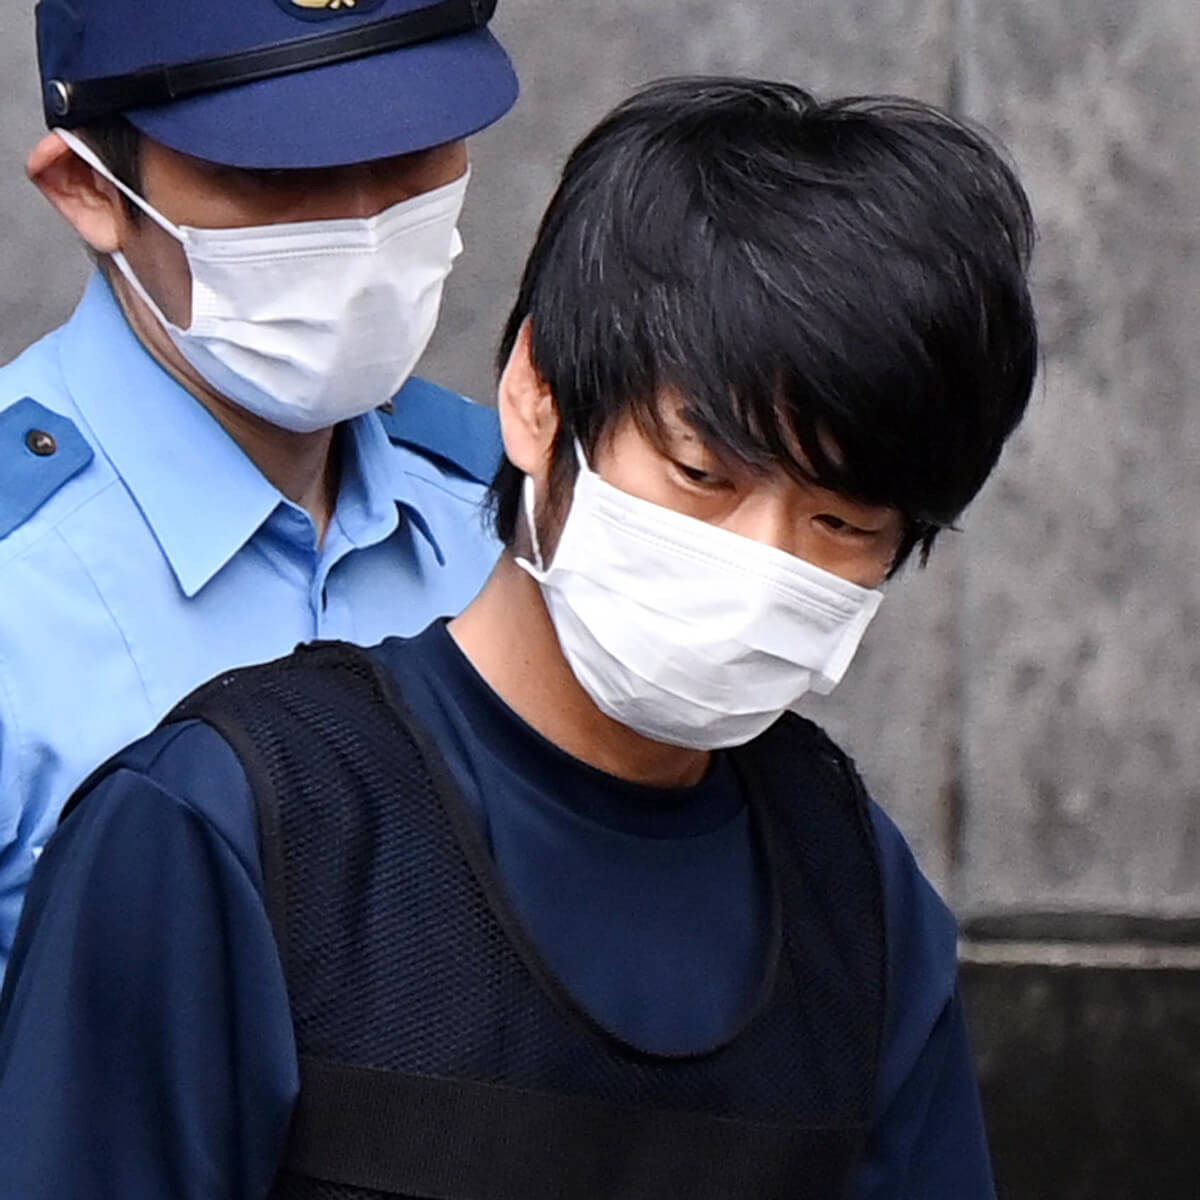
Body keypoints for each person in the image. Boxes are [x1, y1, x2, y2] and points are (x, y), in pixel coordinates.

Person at [0, 78, 1038, 1198]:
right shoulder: (228, 830)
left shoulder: (856, 896)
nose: (760, 562)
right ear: (538, 398)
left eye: (842, 525)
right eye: (702, 475)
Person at [0, 0, 518, 969]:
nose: (362, 230)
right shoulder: (16, 593)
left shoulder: (517, 520)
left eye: (412, 153)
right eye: (278, 173)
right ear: (89, 188)